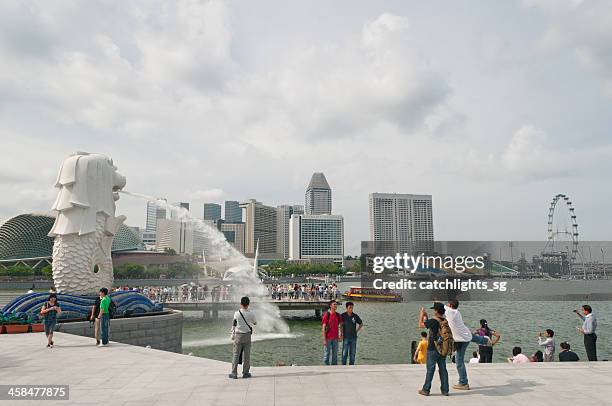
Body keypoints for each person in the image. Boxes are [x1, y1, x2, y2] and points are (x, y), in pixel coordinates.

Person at [443, 299, 491, 390]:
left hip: (461, 339)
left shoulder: (452, 312)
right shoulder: (456, 312)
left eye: (448, 304)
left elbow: (440, 306)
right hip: (465, 334)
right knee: (471, 337)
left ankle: (463, 382)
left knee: (459, 362)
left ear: (450, 305)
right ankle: (485, 340)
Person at [418, 303, 449, 396]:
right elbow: (430, 325)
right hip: (443, 348)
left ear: (436, 311)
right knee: (443, 369)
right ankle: (445, 390)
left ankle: (426, 390)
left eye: (434, 310)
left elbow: (420, 325)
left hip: (433, 349)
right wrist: (426, 316)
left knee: (430, 369)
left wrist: (421, 314)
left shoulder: (433, 321)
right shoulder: (445, 321)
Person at [229, 296, 257, 379]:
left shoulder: (236, 313)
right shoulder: (251, 313)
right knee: (247, 355)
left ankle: (234, 373)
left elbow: (234, 323)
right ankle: (245, 373)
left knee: (236, 355)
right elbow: (255, 323)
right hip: (247, 336)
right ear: (248, 304)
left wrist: (232, 332)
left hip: (238, 336)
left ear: (241, 304)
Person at [322, 299, 342, 365]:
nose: (336, 306)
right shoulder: (326, 315)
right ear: (330, 306)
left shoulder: (338, 315)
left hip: (335, 338)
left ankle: (334, 370)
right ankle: (326, 370)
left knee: (335, 356)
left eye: (336, 304)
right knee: (326, 355)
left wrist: (341, 335)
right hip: (328, 338)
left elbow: (341, 325)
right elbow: (323, 328)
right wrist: (324, 339)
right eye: (334, 304)